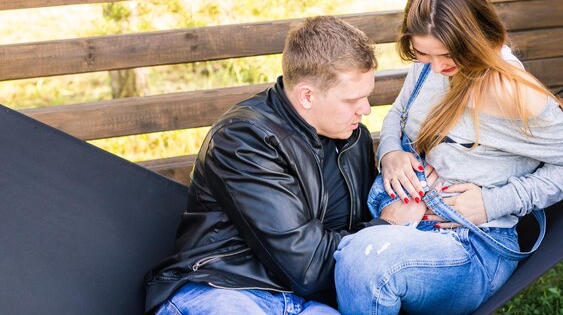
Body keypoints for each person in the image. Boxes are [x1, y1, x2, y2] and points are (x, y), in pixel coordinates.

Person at [333, 0, 563, 315]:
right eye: (423, 54)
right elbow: (398, 113)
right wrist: (391, 153)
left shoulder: (513, 94)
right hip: (401, 215)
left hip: (471, 246)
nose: (437, 66)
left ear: (475, 38)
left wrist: (491, 202)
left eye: (447, 56)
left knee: (364, 261)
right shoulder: (429, 61)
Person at [144, 16, 390, 315]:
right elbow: (307, 265)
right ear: (307, 96)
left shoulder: (353, 139)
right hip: (225, 289)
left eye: (367, 96)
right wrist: (387, 227)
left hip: (306, 303)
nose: (365, 109)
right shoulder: (244, 137)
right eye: (353, 99)